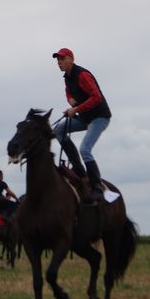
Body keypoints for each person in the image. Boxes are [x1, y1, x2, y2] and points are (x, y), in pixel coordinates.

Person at [51, 48, 112, 202]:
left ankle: (97, 186)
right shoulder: (67, 78)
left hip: (99, 118)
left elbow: (96, 97)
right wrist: (70, 99)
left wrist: (76, 109)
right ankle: (79, 168)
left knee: (85, 149)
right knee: (58, 130)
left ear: (71, 59)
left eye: (62, 59)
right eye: (58, 60)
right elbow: (68, 92)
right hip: (85, 118)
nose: (59, 62)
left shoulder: (82, 75)